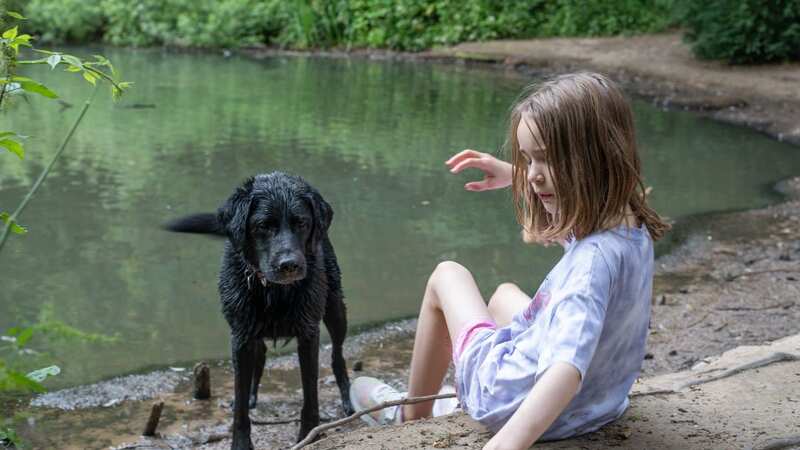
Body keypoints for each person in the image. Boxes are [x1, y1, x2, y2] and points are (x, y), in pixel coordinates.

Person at [349, 72, 670, 450]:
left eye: (546, 160)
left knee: (446, 276)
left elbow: (565, 369)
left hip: (508, 402)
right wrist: (513, 175)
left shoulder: (590, 265)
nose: (534, 176)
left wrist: (505, 444)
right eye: (528, 159)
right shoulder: (628, 222)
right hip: (598, 404)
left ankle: (411, 414)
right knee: (503, 296)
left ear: (596, 158)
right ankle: (457, 393)